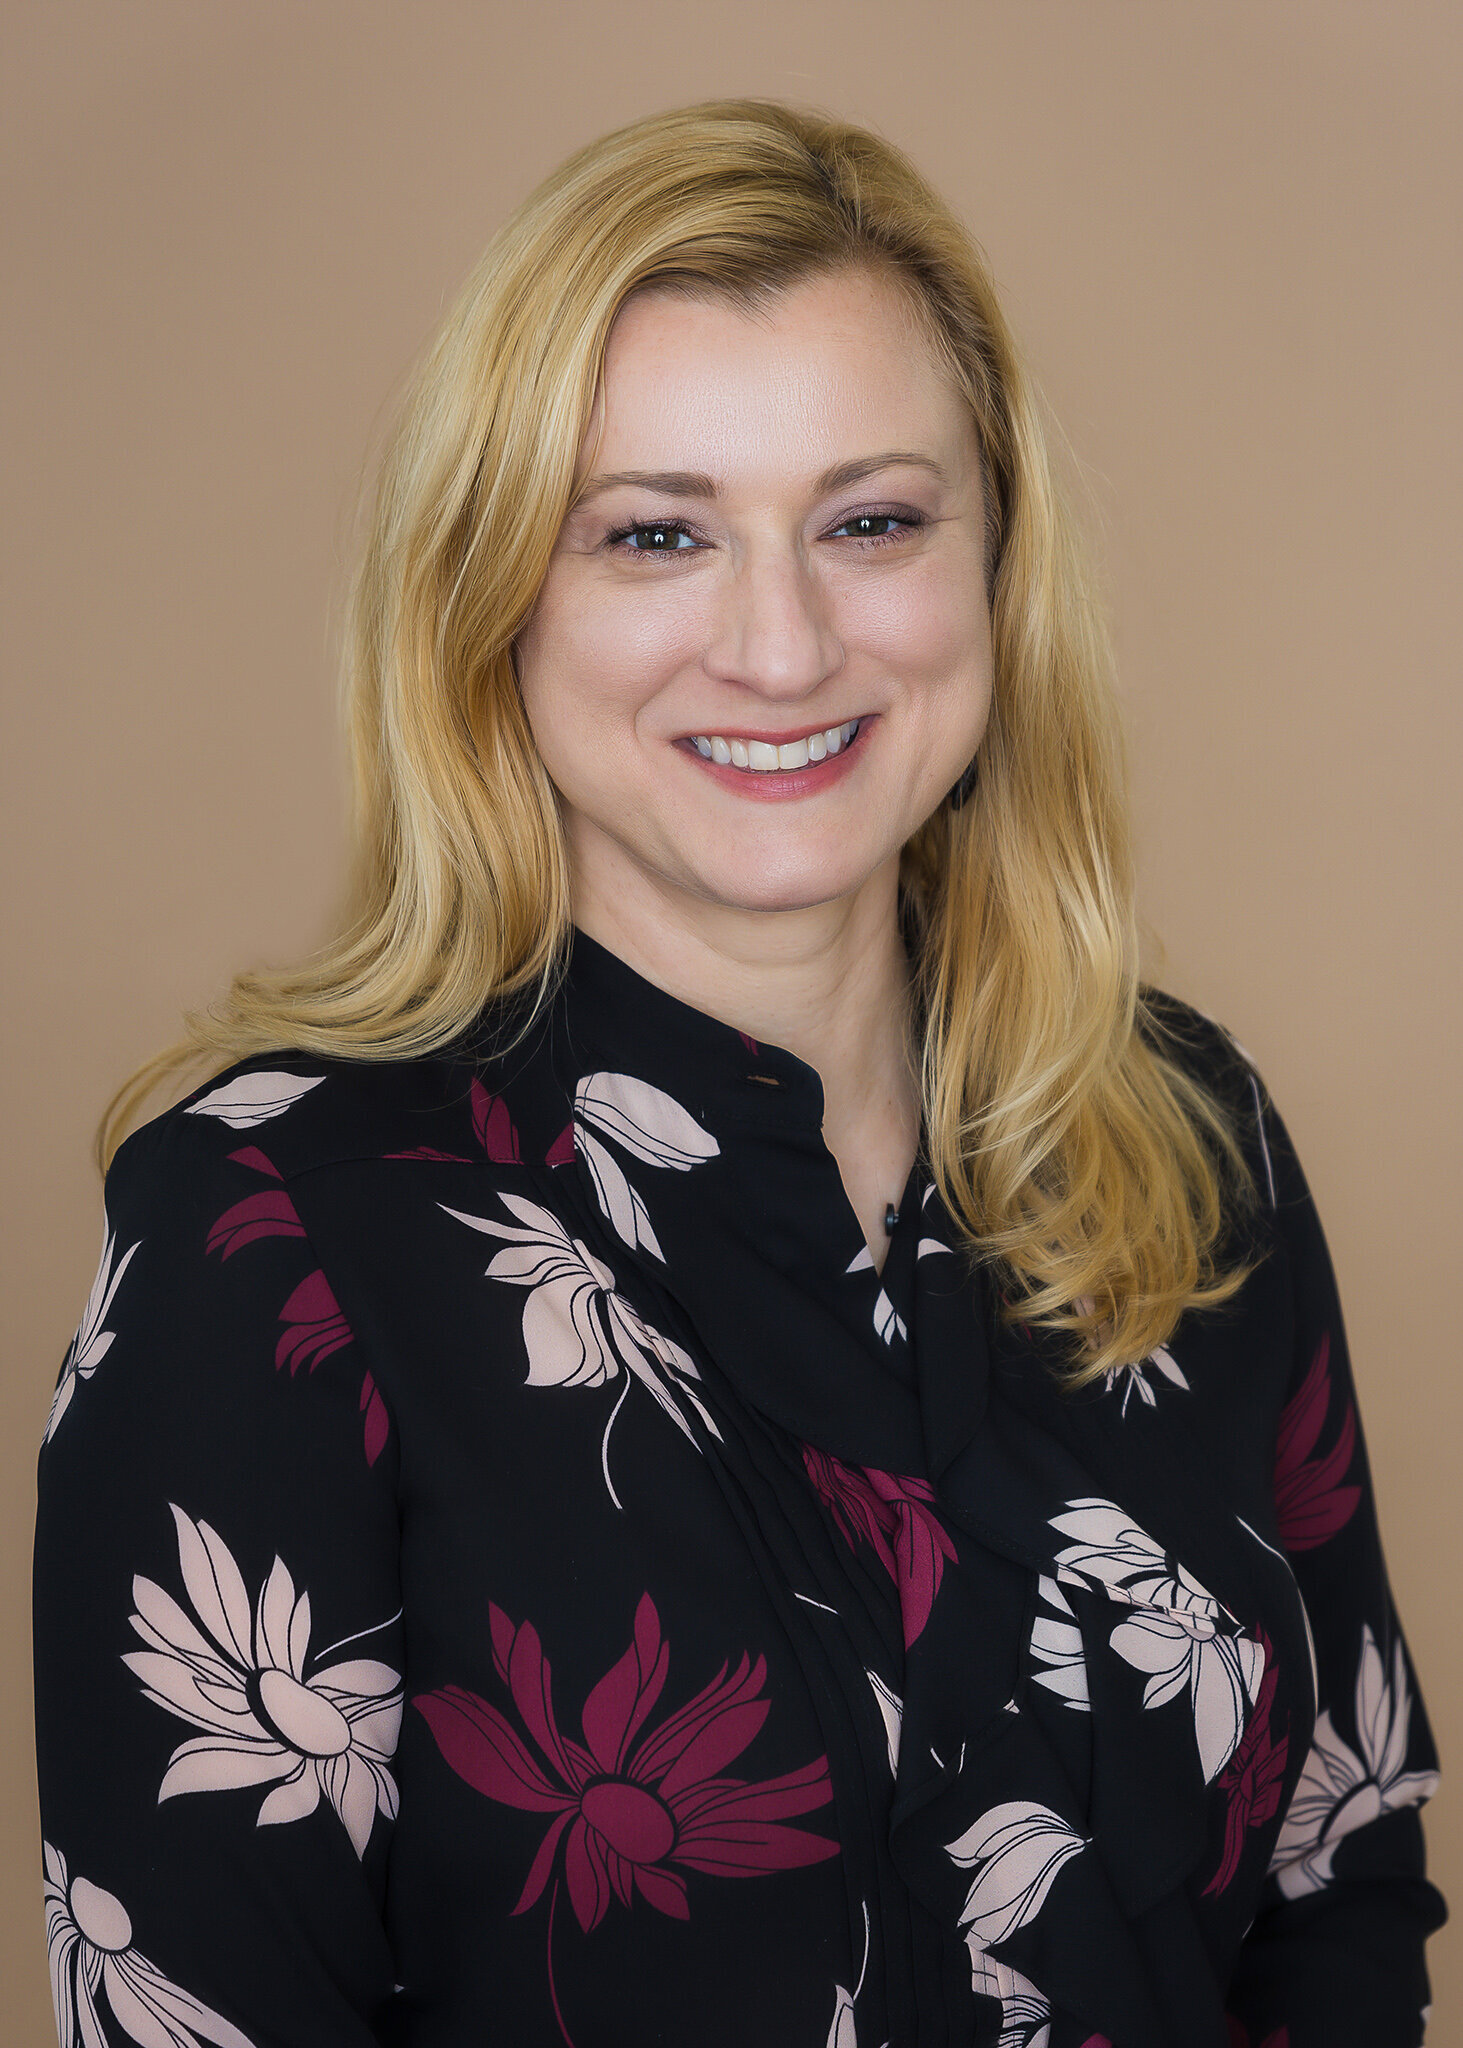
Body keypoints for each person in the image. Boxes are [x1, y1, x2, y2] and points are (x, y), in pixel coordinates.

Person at [32, 97, 1444, 2048]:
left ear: (996, 572)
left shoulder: (1188, 1140)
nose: (779, 644)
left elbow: (1340, 1888)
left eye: (870, 521)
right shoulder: (273, 1237)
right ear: (492, 601)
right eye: (655, 533)